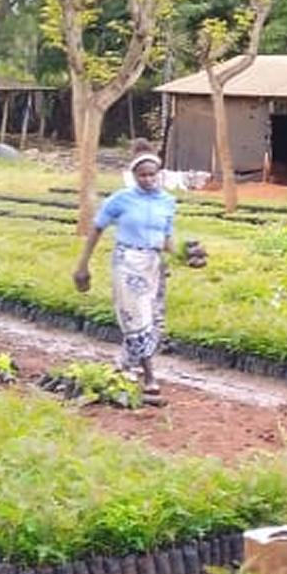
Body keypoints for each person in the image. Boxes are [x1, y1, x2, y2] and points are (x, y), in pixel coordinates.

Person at [72, 151, 178, 395]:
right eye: (143, 175)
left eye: (152, 175)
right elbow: (97, 229)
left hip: (154, 264)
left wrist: (184, 255)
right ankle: (150, 376)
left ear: (158, 175)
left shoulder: (167, 202)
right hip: (128, 262)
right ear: (134, 176)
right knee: (136, 317)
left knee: (154, 321)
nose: (148, 180)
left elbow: (167, 238)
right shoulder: (121, 200)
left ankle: (126, 365)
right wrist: (82, 265)